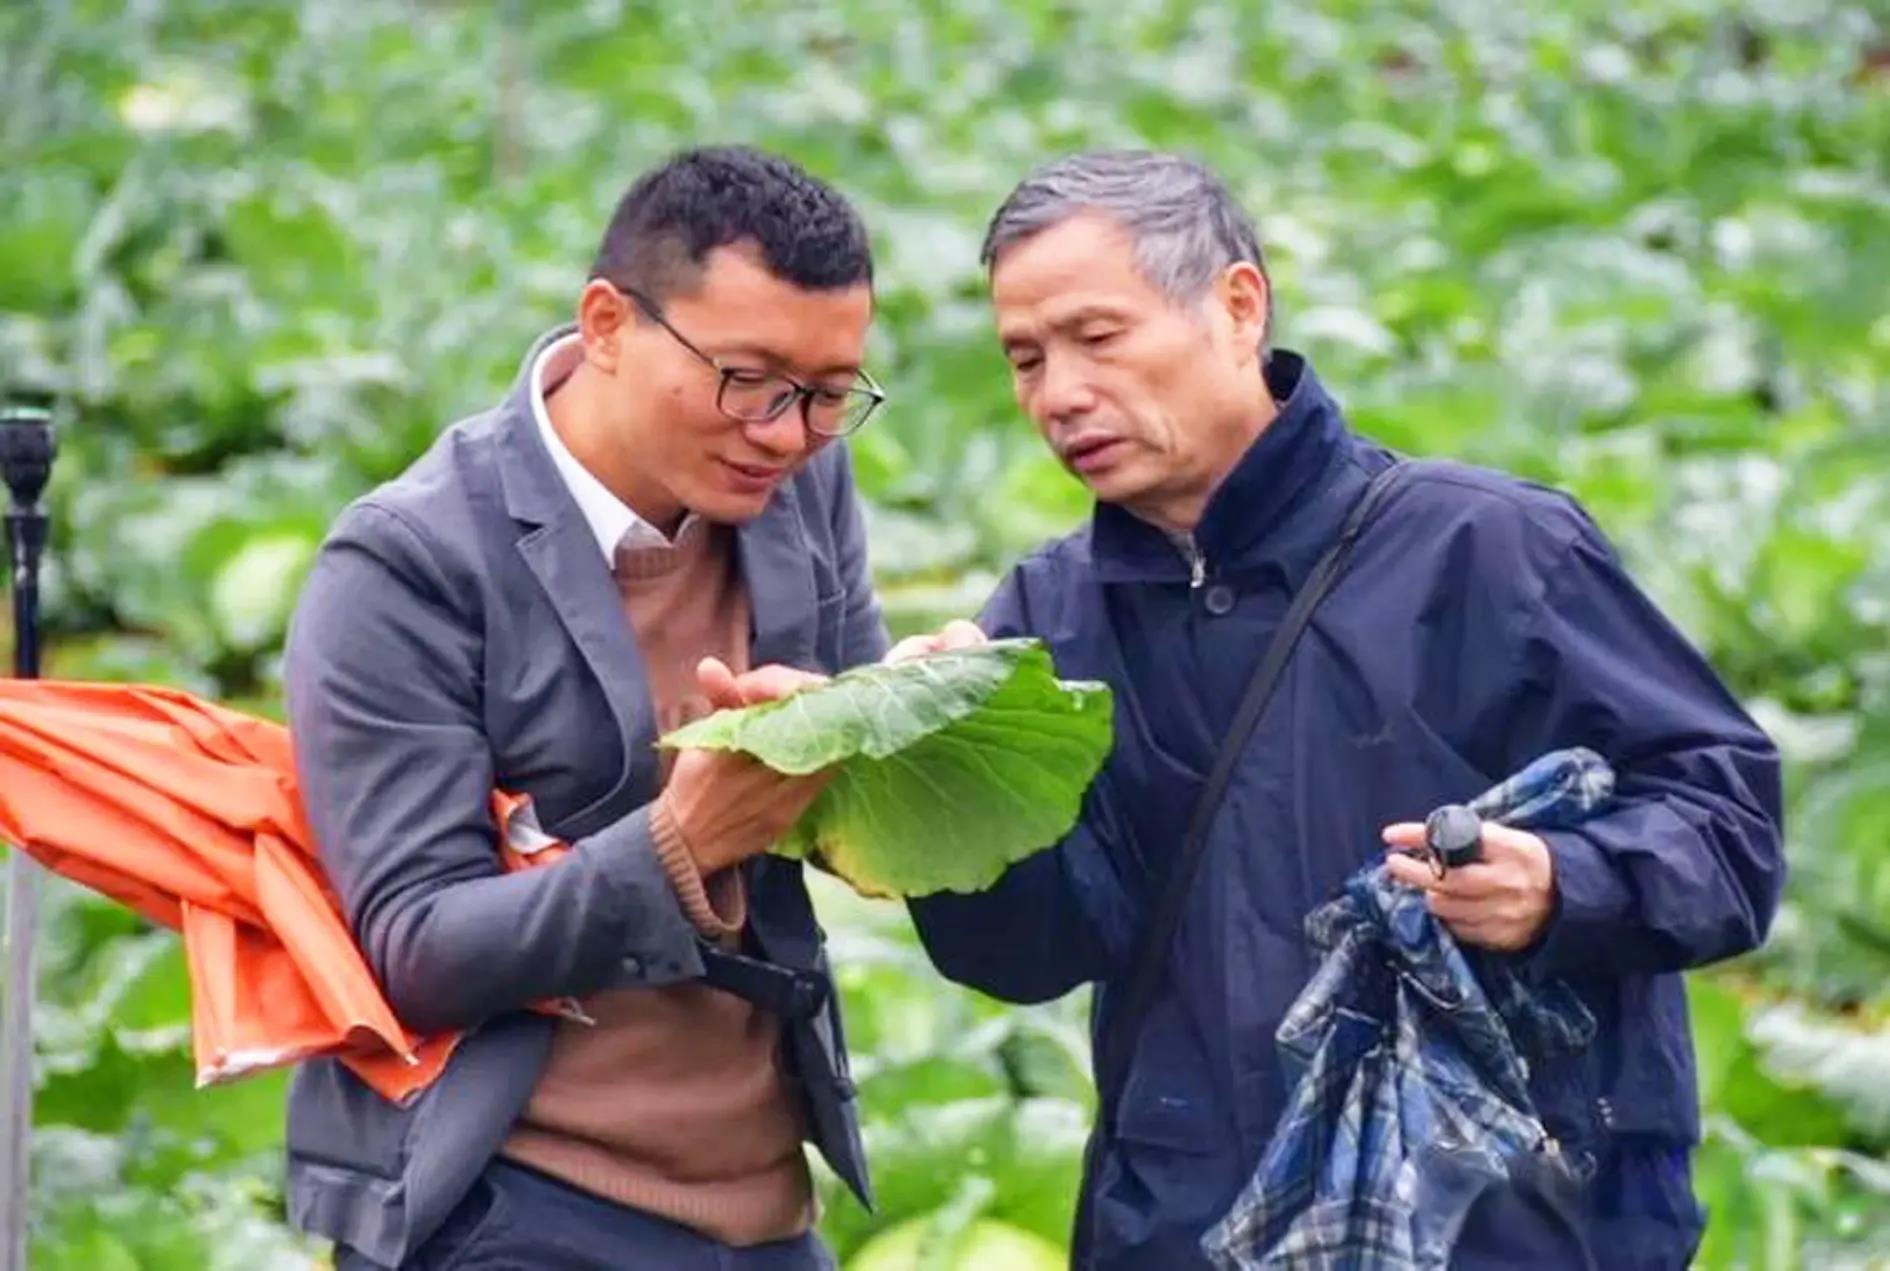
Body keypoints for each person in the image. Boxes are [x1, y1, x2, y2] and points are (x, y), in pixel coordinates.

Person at [906, 151, 1784, 1269]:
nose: (1058, 393)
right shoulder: (1050, 609)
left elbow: (1730, 821)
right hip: (1185, 1229)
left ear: (1236, 307)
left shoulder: (1490, 547)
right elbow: (1033, 951)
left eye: (1099, 337)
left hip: (1502, 1230)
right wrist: (947, 771)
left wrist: (1563, 885)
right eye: (1024, 358)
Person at [284, 145, 919, 1270]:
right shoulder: (410, 561)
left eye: (828, 394)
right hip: (515, 1202)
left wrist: (918, 709)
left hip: (765, 1198)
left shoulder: (800, 478)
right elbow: (412, 946)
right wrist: (682, 842)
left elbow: (851, 805)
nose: (784, 430)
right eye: (748, 378)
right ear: (610, 322)